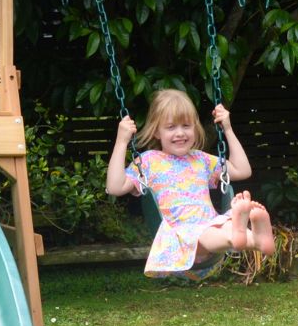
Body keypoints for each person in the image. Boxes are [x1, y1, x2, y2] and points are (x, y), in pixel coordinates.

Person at [106, 88, 275, 279]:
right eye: (171, 127)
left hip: (209, 224)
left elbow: (242, 170)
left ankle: (256, 240)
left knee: (224, 224)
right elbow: (115, 187)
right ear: (156, 132)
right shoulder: (148, 161)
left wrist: (227, 128)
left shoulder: (201, 160)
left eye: (186, 126)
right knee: (209, 232)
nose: (180, 133)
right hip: (179, 236)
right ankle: (237, 234)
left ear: (195, 128)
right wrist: (121, 142)